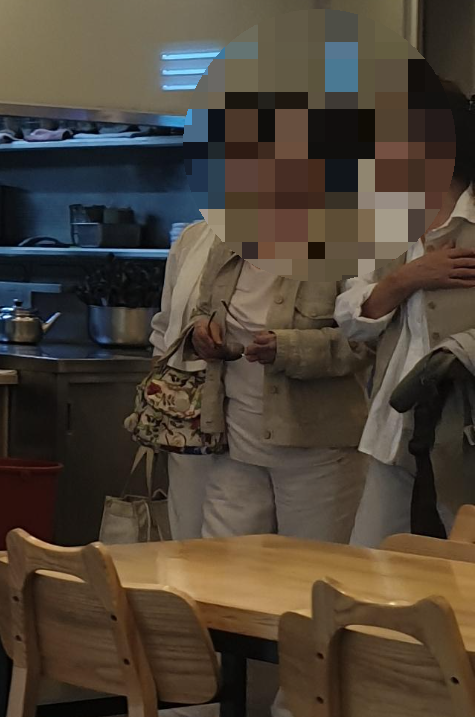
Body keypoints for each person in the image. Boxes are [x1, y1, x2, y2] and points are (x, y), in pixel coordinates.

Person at [148, 87, 370, 543]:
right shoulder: (223, 236)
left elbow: (367, 340)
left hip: (315, 444)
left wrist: (288, 349)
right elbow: (195, 317)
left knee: (309, 572)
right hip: (230, 438)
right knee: (220, 567)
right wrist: (201, 335)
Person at [335, 64, 475, 545]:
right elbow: (352, 319)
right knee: (369, 562)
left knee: (461, 566)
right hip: (392, 429)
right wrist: (407, 278)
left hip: (464, 433)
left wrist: (460, 349)